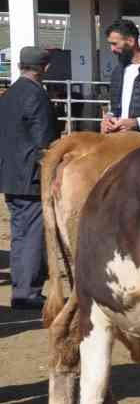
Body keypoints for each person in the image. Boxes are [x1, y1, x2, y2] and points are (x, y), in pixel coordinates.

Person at [0, 46, 62, 310]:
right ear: (45, 68)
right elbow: (44, 141)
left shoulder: (8, 94)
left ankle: (21, 287)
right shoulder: (37, 96)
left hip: (10, 174)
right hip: (32, 177)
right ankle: (28, 292)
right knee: (33, 235)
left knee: (20, 233)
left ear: (19, 66)